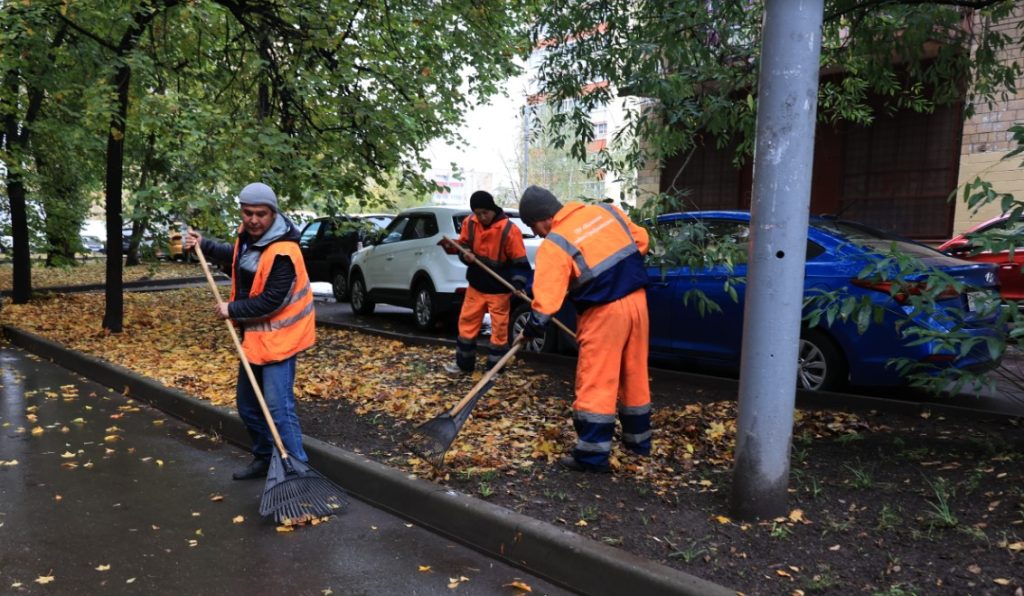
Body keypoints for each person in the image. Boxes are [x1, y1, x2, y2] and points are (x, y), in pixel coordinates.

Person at [184, 182, 315, 480]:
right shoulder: (250, 239)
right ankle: (264, 457)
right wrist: (204, 245)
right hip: (256, 338)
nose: (254, 219)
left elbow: (272, 300)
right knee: (248, 407)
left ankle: (299, 473)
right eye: (248, 213)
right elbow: (238, 261)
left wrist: (232, 310)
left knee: (279, 410)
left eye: (261, 214)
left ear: (273, 214)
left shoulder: (284, 251)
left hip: (280, 340)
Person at [517, 185, 652, 473]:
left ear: (542, 220)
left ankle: (592, 456)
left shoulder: (555, 243)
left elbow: (546, 302)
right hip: (638, 303)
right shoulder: (606, 211)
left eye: (534, 228)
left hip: (603, 313)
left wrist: (531, 329)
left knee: (597, 380)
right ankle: (638, 443)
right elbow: (642, 241)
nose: (538, 234)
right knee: (634, 373)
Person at [445, 190, 531, 375]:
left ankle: (495, 369)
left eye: (485, 212)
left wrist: (517, 284)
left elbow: (520, 264)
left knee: (499, 330)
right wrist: (464, 255)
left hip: (499, 289)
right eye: (478, 213)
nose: (482, 217)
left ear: (492, 209)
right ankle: (463, 365)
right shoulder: (470, 223)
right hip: (476, 286)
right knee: (467, 324)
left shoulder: (509, 230)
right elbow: (463, 245)